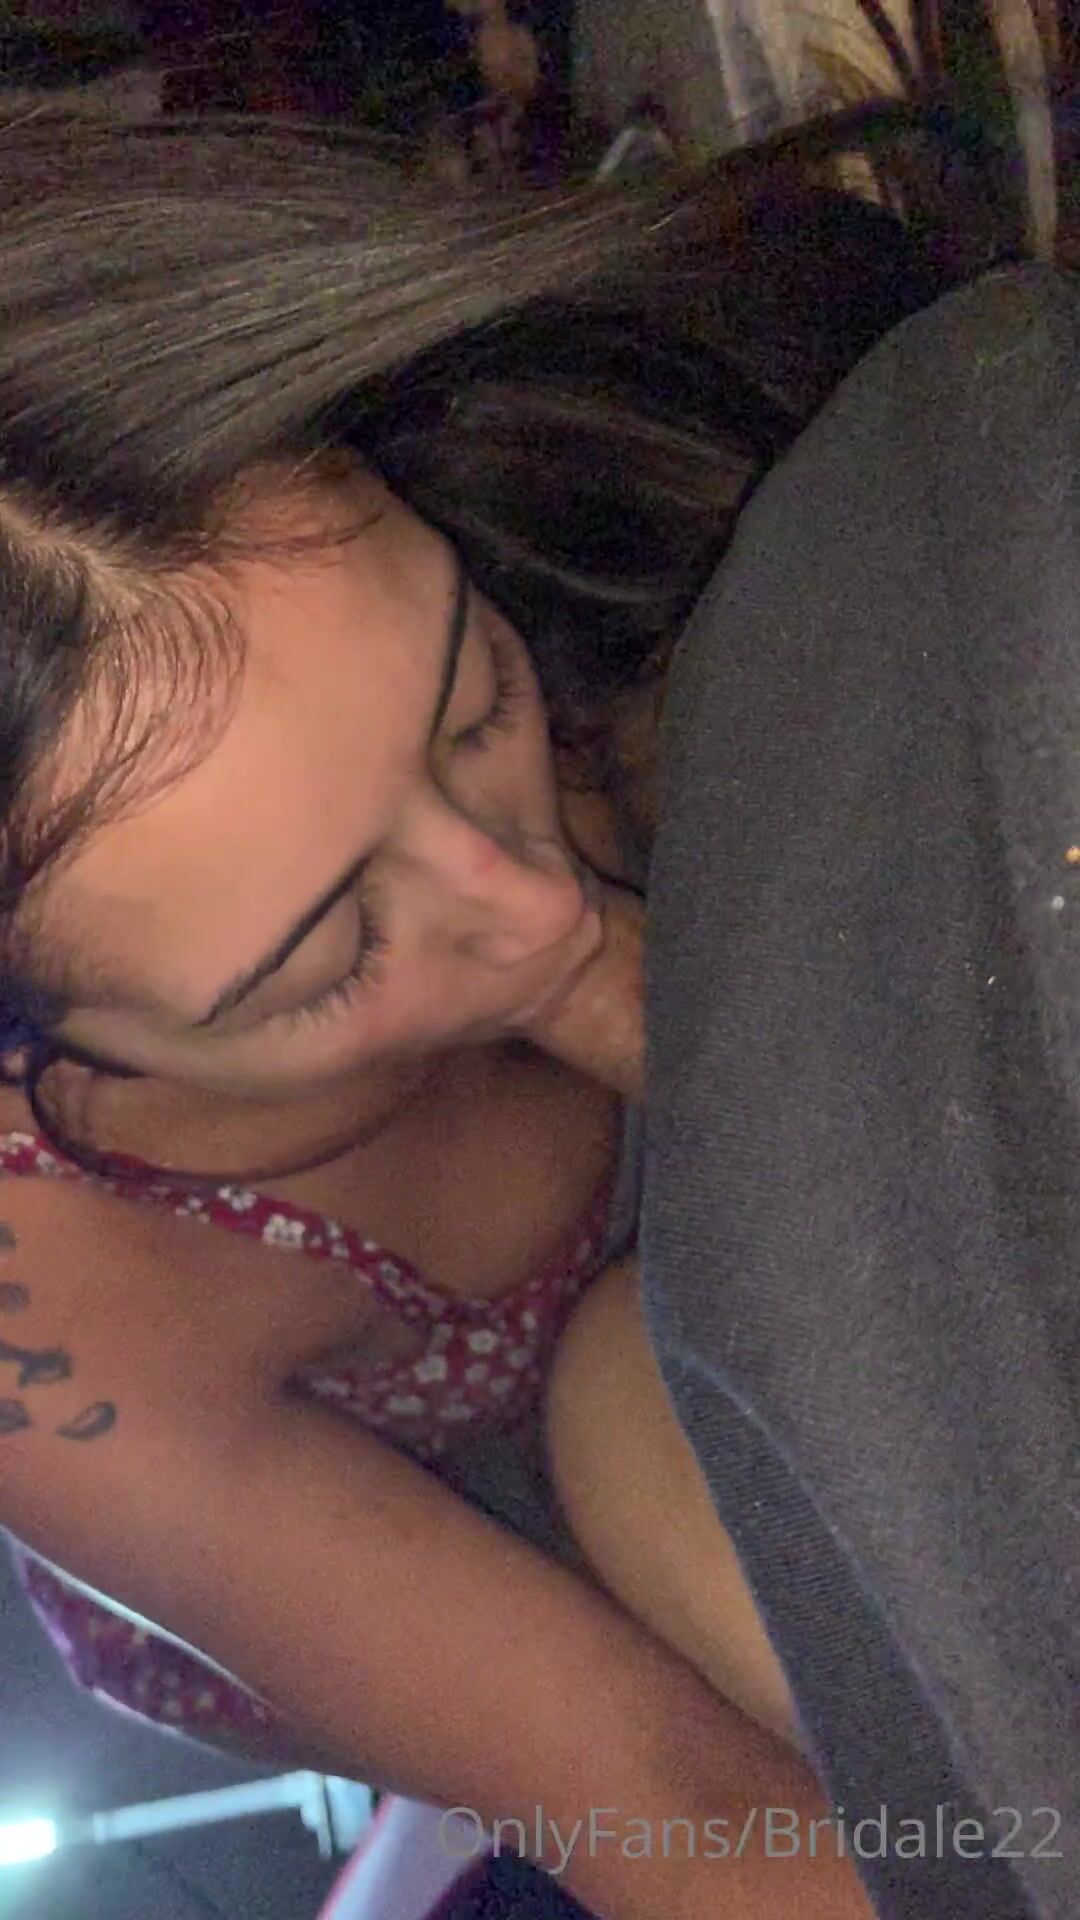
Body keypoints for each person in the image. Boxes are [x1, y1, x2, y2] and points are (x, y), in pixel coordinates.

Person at [0, 17, 1056, 1916]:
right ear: (51, 1053)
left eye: (469, 702)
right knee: (626, 1414)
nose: (523, 898)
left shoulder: (524, 545)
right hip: (514, 1562)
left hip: (764, 1208)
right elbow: (673, 1804)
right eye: (329, 951)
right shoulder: (54, 1332)